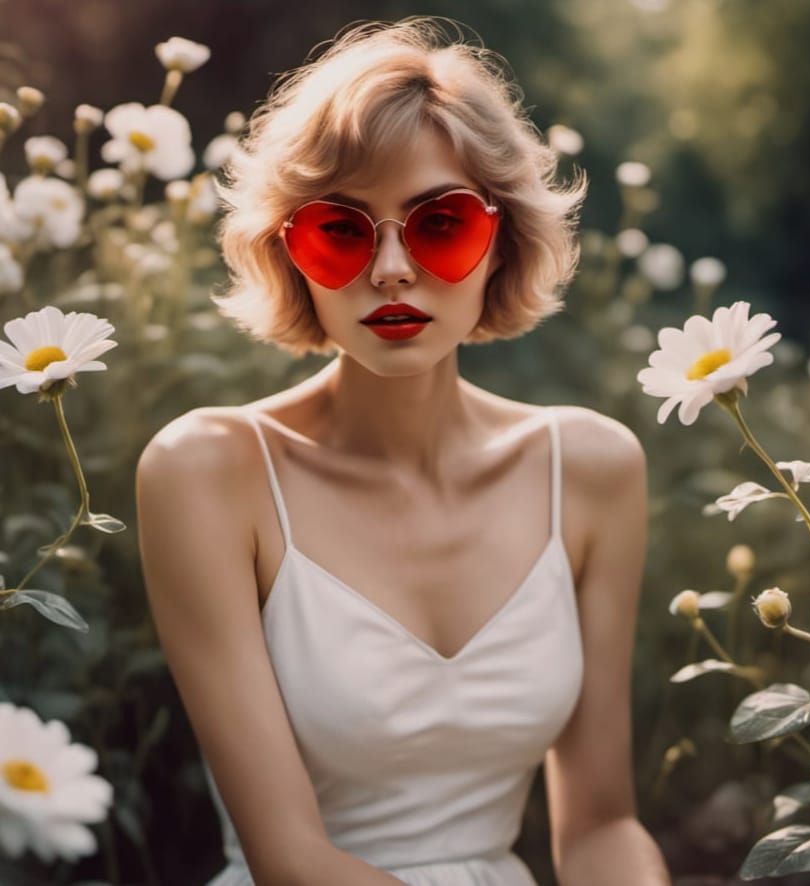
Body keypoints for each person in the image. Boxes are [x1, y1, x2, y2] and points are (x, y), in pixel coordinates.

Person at [135, 16, 670, 886]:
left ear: (502, 242)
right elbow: (290, 860)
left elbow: (603, 821)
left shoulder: (593, 469)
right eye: (341, 230)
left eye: (440, 224)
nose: (389, 268)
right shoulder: (209, 472)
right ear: (288, 252)